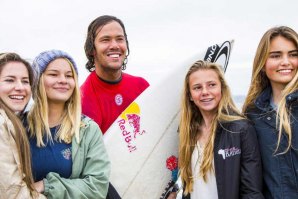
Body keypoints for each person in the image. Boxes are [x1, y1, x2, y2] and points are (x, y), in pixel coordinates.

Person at [26, 50, 110, 199]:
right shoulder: (18, 126)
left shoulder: (88, 130)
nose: (63, 80)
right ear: (37, 80)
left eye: (69, 76)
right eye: (53, 74)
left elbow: (97, 187)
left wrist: (47, 186)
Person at [178, 60, 264, 199]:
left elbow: (251, 191)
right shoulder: (188, 132)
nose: (205, 92)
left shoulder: (241, 129)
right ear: (190, 95)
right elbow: (189, 187)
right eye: (197, 87)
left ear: (222, 89)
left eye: (212, 85)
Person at [242, 26, 298, 198]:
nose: (286, 62)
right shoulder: (252, 114)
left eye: (293, 54)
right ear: (262, 63)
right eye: (275, 55)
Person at [81, 15, 149, 134]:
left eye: (119, 39)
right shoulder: (82, 99)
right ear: (92, 49)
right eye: (105, 40)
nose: (115, 45)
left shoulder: (141, 87)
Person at [0, 53, 45, 198]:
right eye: (9, 80)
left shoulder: (13, 120)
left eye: (25, 81)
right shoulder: (2, 124)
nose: (20, 87)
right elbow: (12, 193)